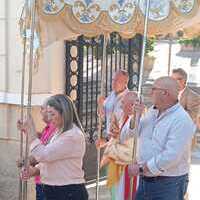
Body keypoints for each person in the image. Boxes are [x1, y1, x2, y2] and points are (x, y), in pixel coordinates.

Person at [112, 77, 196, 200]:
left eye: (154, 89)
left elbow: (170, 156)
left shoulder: (181, 120)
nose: (150, 92)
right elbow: (125, 136)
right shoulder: (151, 112)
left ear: (165, 93)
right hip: (146, 181)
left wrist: (141, 168)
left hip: (168, 183)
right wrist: (135, 118)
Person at [18, 94, 88, 200]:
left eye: (52, 114)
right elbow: (52, 161)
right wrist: (34, 171)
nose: (49, 118)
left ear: (64, 113)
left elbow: (43, 155)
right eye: (48, 113)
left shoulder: (73, 135)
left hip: (68, 192)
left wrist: (30, 130)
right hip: (55, 191)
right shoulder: (59, 132)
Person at [100, 91, 139, 200]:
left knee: (126, 194)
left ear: (132, 105)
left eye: (123, 103)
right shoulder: (124, 117)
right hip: (120, 165)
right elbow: (121, 138)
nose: (121, 106)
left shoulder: (135, 119)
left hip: (128, 164)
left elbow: (130, 141)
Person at [171, 68, 200, 149]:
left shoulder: (194, 97)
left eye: (178, 79)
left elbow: (191, 117)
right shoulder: (168, 93)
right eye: (172, 79)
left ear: (185, 80)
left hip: (183, 138)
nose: (174, 82)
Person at [97, 69, 129, 142]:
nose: (114, 83)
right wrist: (100, 104)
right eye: (113, 80)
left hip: (122, 141)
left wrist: (106, 140)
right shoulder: (112, 95)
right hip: (110, 139)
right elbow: (101, 114)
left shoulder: (129, 98)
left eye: (118, 81)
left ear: (125, 83)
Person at [34, 102, 56, 200]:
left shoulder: (55, 129)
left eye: (42, 109)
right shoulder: (47, 128)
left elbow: (43, 153)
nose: (41, 112)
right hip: (41, 180)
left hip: (47, 182)